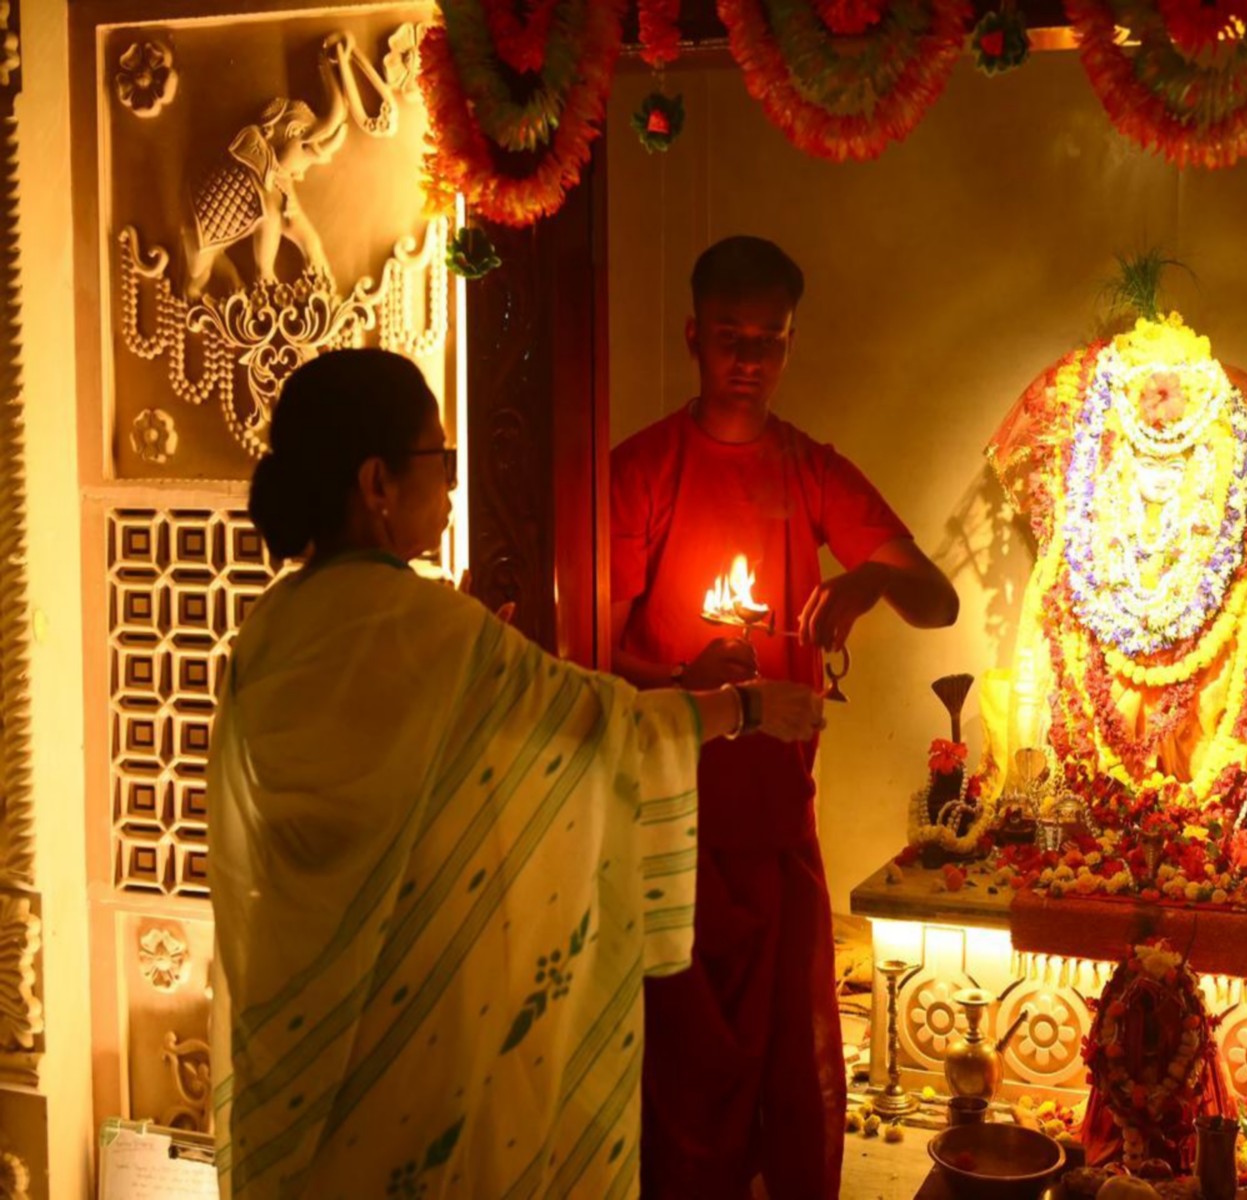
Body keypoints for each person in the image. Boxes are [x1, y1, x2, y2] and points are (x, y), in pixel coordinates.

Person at [207, 348, 824, 1199]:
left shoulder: (268, 629)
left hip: (301, 1034)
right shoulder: (431, 629)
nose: (453, 490)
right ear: (378, 483)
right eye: (442, 464)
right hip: (415, 1042)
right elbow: (605, 732)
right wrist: (749, 708)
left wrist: (482, 675)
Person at [610, 237, 959, 1199]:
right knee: (682, 1082)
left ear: (791, 347)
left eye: (771, 340)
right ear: (693, 337)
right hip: (671, 829)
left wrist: (870, 583)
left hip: (778, 820)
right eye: (730, 337)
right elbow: (588, 661)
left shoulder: (808, 470)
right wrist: (689, 679)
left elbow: (941, 600)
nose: (750, 360)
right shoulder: (643, 471)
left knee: (789, 1074)